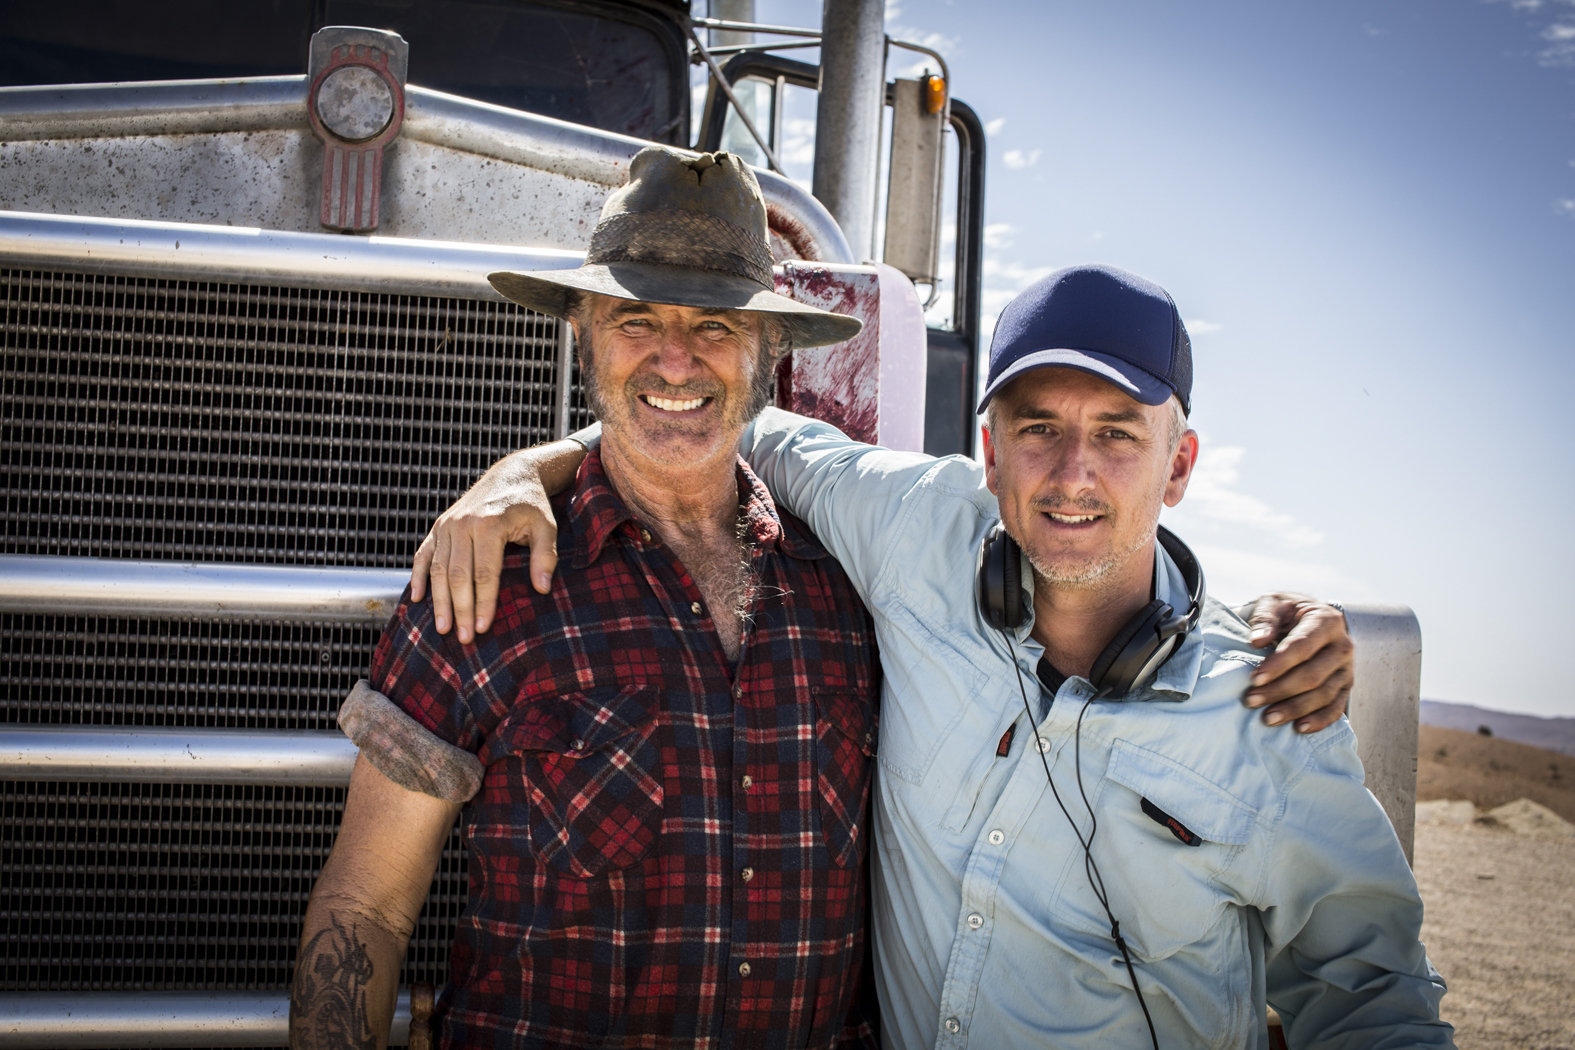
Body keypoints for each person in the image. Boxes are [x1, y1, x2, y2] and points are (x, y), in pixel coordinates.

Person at [412, 265, 1429, 1047]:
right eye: (1038, 429)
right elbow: (705, 412)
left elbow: (1375, 995)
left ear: (1182, 466)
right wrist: (522, 470)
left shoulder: (1268, 700)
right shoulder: (911, 531)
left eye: (1119, 434)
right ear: (989, 452)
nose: (1073, 474)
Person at [290, 146, 884, 1049]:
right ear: (582, 335)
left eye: (717, 325)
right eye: (635, 319)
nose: (675, 361)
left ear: (767, 353)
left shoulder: (846, 594)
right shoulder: (484, 583)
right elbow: (365, 906)